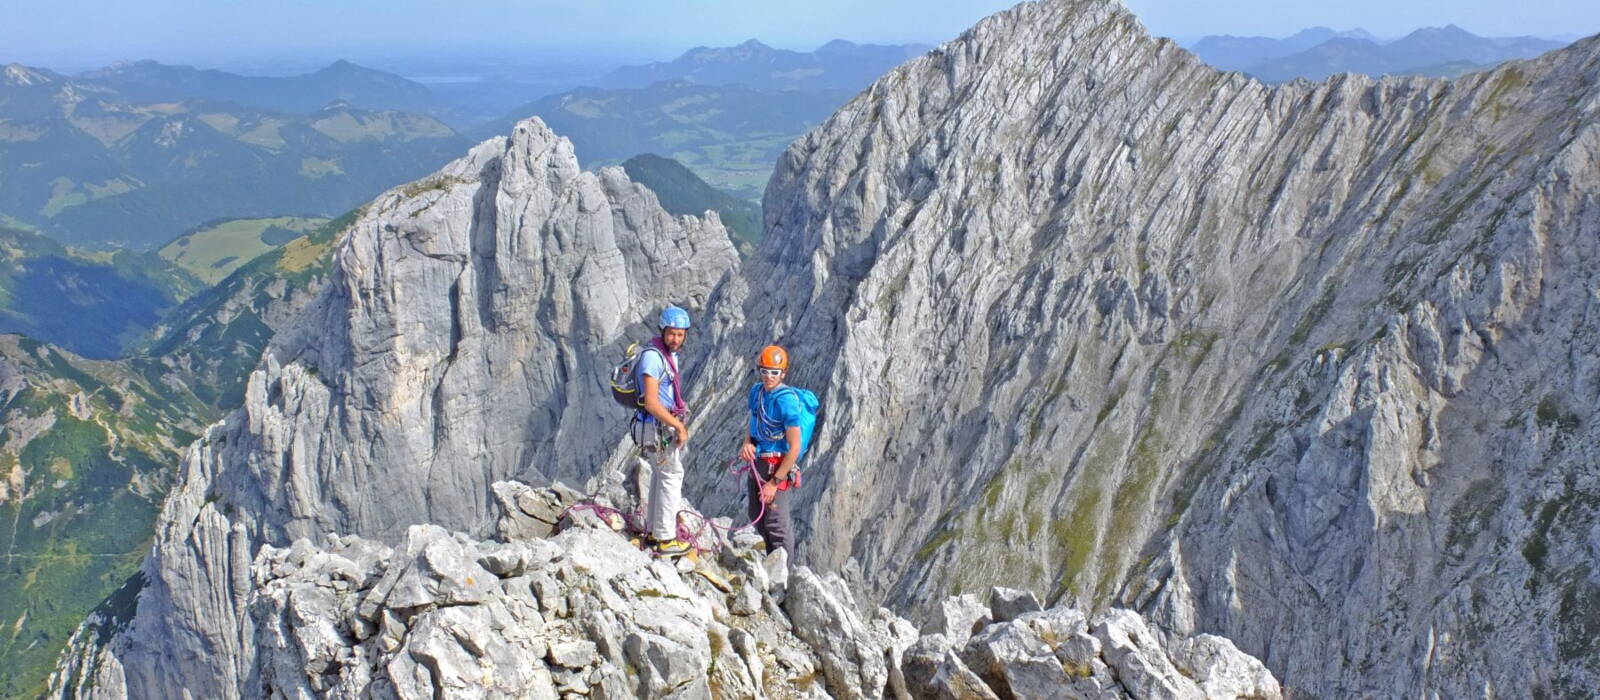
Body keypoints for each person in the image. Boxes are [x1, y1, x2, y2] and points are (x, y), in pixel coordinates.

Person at [633, 305, 693, 557]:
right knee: (671, 476)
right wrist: (678, 425)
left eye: (680, 334)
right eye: (672, 334)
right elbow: (651, 401)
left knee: (660, 474)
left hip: (655, 425)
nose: (676, 339)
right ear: (663, 330)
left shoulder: (665, 354)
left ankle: (653, 531)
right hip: (657, 426)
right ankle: (666, 538)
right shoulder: (653, 357)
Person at [738, 344, 806, 560]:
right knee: (756, 515)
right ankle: (770, 564)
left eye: (774, 372)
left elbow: (794, 447)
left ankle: (783, 579)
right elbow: (753, 424)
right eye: (764, 371)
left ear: (783, 373)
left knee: (776, 523)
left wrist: (774, 483)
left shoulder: (787, 401)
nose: (769, 377)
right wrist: (747, 443)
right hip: (758, 463)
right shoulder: (756, 392)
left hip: (777, 467)